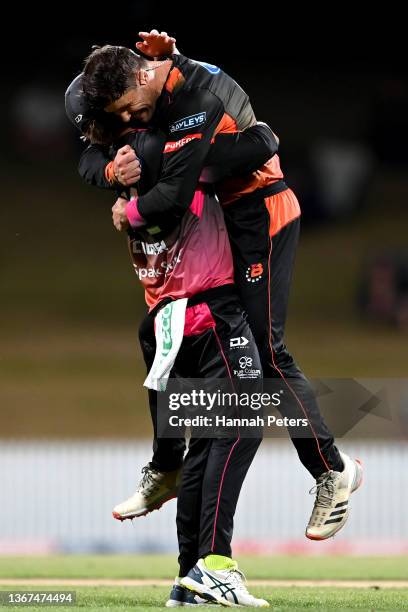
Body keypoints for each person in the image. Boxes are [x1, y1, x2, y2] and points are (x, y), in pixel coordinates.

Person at [79, 32, 363, 546]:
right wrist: (109, 168)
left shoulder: (193, 95)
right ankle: (172, 468)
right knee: (188, 346)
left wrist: (129, 209)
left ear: (143, 75)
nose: (127, 123)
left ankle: (331, 471)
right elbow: (93, 158)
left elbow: (247, 149)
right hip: (231, 218)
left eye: (127, 111)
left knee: (267, 354)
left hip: (261, 212)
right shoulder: (145, 92)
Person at [66, 73, 279, 607]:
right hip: (208, 309)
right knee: (242, 425)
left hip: (167, 317)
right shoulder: (165, 147)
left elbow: (89, 162)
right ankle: (214, 565)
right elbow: (262, 143)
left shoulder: (119, 165)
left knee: (204, 445)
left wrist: (115, 177)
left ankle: (191, 576)